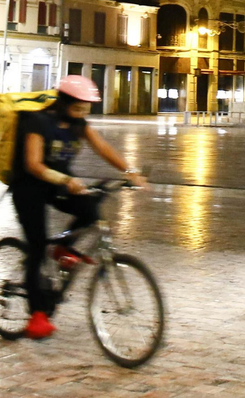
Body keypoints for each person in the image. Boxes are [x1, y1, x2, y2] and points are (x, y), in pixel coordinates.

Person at [14, 73, 147, 339]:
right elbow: (33, 164)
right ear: (62, 102)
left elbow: (103, 148)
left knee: (91, 208)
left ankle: (65, 249)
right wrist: (66, 179)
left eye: (85, 109)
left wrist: (130, 171)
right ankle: (37, 315)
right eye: (76, 108)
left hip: (59, 184)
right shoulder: (37, 121)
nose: (80, 114)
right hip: (28, 186)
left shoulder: (78, 124)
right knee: (37, 245)